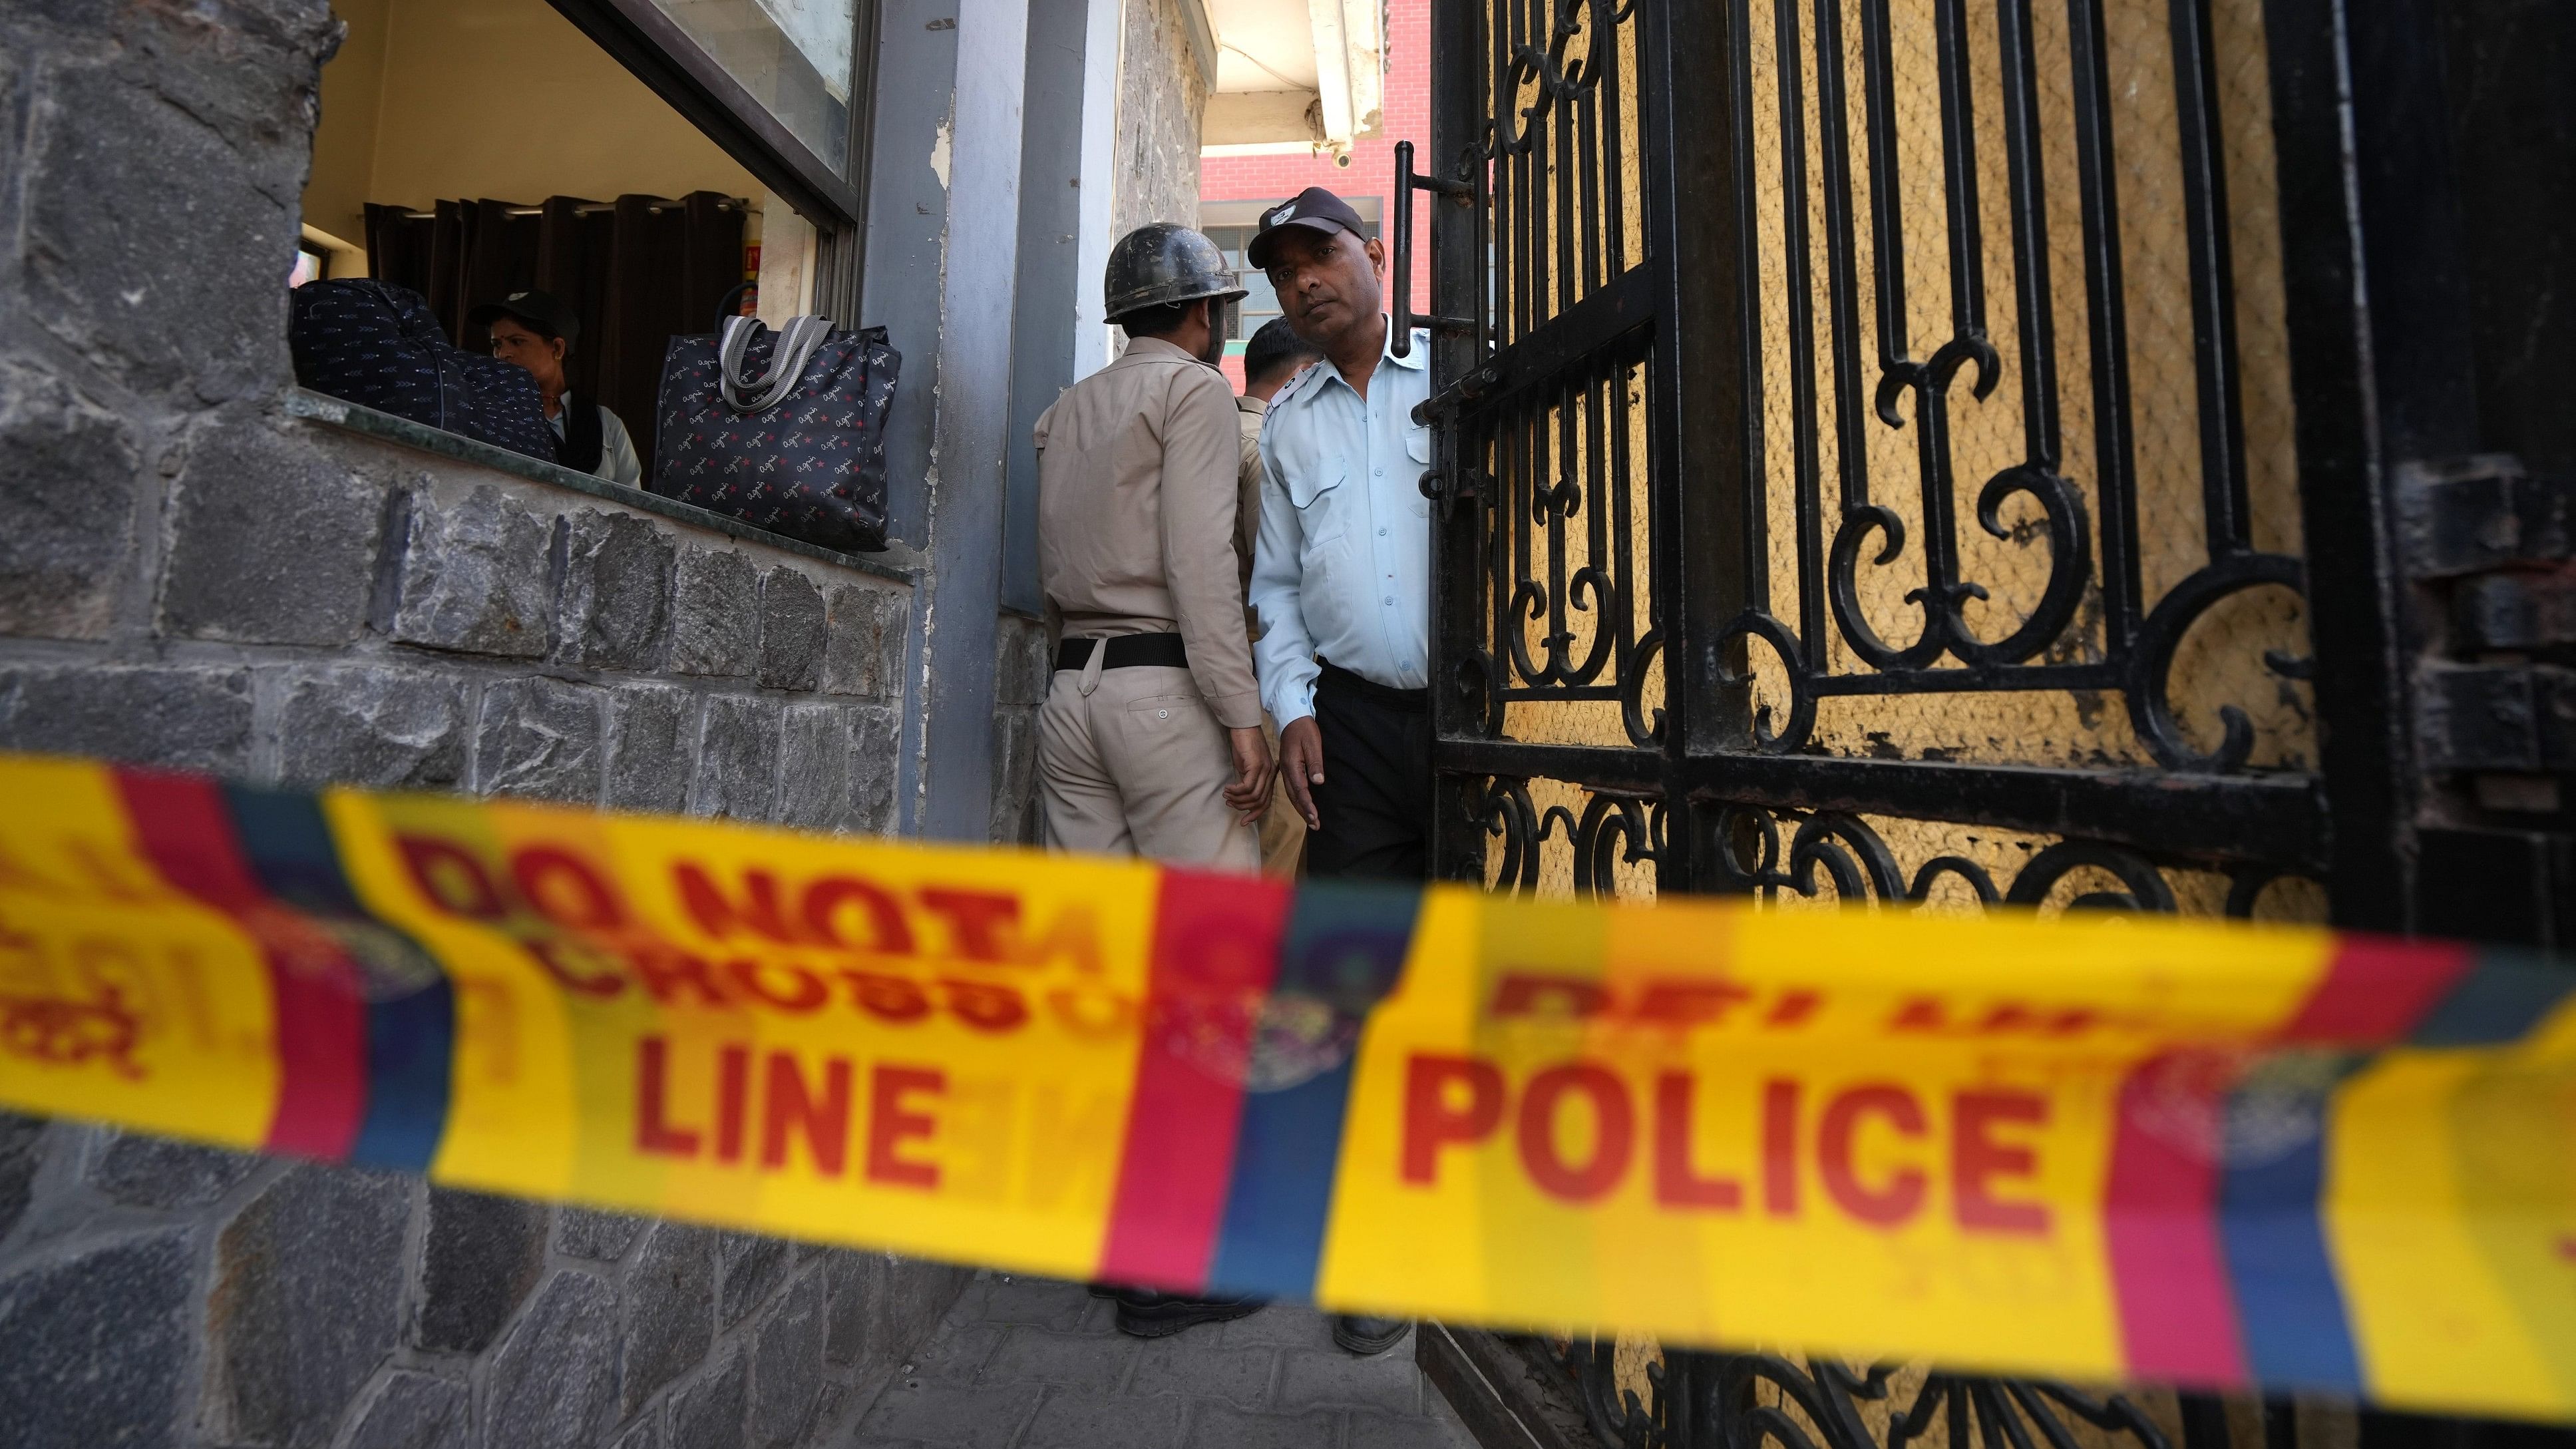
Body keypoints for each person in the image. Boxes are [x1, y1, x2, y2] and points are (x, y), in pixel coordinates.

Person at [1036, 224, 1274, 1341]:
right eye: (1218, 310)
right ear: (1201, 317)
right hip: (1160, 692)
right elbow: (1198, 565)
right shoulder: (1192, 397)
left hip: (1070, 693)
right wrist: (1241, 710)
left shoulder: (1067, 409)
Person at [1243, 188, 1429, 1357]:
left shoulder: (1458, 373)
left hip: (1480, 713)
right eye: (1280, 272)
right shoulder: (1292, 424)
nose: (1303, 281)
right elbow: (1273, 589)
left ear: (1373, 252)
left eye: (1319, 255)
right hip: (1351, 732)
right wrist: (1292, 707)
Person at [1235, 319, 1325, 879]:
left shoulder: (1207, 432)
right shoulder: (1266, 448)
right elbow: (1272, 582)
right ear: (1300, 377)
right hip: (1264, 674)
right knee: (1281, 841)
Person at [468, 290, 642, 487]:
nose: (504, 354)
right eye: (497, 344)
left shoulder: (607, 424)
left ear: (558, 348)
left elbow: (633, 504)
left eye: (517, 341)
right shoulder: (488, 415)